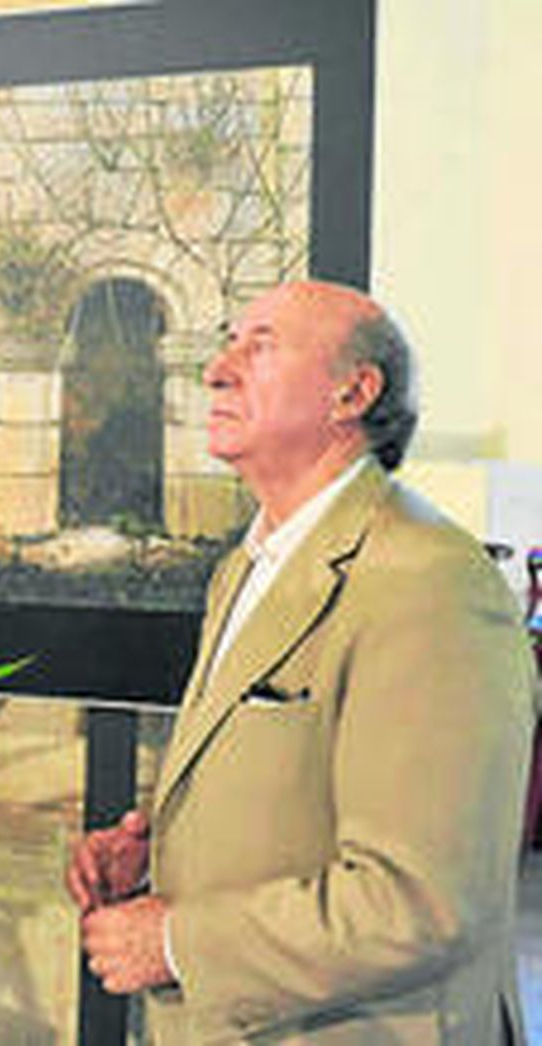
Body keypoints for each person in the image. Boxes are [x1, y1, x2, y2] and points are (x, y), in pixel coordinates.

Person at [66, 280, 536, 1042]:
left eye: (259, 345)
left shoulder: (429, 581)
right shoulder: (247, 565)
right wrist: (161, 848)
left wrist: (177, 941)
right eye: (227, 342)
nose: (217, 369)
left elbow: (424, 900)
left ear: (353, 392)